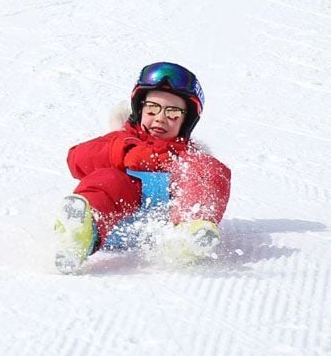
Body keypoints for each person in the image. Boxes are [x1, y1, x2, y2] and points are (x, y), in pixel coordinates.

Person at [54, 61, 231, 273]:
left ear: (186, 120)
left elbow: (210, 178)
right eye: (152, 108)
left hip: (168, 232)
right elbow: (76, 160)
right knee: (108, 179)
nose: (160, 118)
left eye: (173, 112)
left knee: (206, 169)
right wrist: (123, 152)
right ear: (140, 109)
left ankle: (191, 233)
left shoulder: (189, 158)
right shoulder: (121, 139)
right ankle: (78, 236)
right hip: (112, 226)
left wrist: (180, 164)